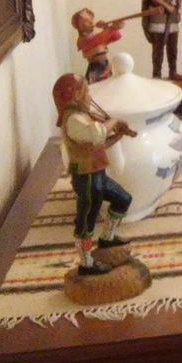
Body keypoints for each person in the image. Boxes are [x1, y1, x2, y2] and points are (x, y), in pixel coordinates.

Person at [52, 74, 136, 275]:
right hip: (86, 179)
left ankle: (107, 238)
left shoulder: (84, 117)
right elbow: (96, 133)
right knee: (86, 223)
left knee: (123, 199)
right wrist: (113, 121)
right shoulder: (73, 120)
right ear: (75, 95)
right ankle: (86, 264)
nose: (90, 95)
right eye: (86, 91)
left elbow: (99, 144)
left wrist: (119, 134)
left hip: (97, 175)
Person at [71, 8, 124, 82]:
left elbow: (116, 37)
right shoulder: (82, 40)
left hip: (105, 66)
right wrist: (111, 28)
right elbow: (96, 41)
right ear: (79, 26)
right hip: (96, 68)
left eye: (91, 19)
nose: (91, 22)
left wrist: (107, 27)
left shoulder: (96, 37)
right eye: (86, 21)